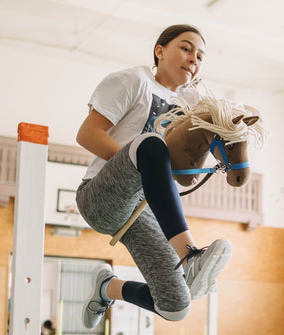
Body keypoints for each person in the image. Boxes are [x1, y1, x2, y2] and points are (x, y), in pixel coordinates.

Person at [74, 24, 237, 329]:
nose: (194, 58)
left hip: (141, 211)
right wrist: (140, 165)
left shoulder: (190, 106)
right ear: (160, 51)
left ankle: (107, 287)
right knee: (150, 144)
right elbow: (87, 134)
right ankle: (190, 256)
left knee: (176, 306)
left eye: (200, 55)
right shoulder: (133, 80)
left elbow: (182, 176)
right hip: (101, 197)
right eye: (186, 48)